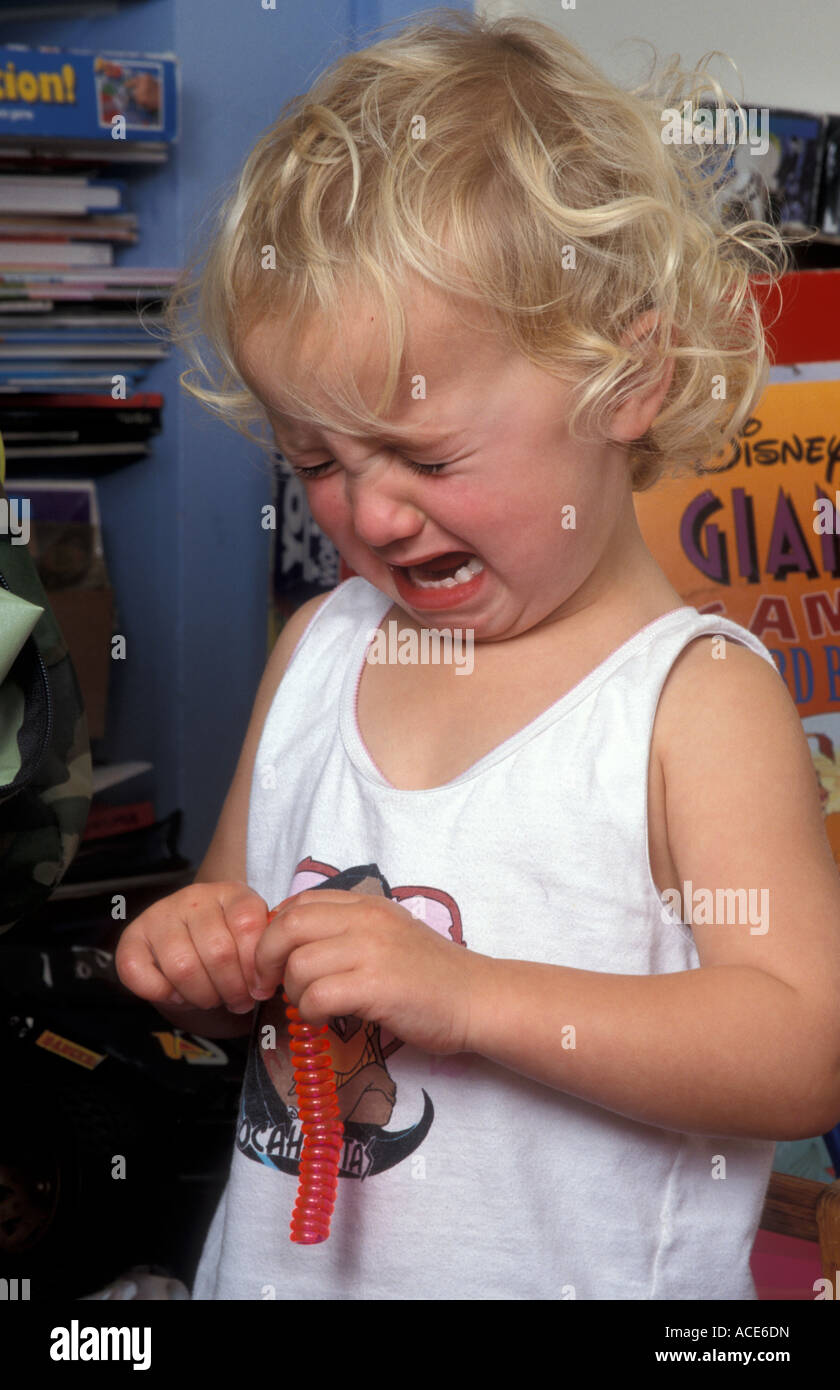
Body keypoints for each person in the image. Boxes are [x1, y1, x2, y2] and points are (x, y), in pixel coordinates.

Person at [116, 11, 840, 1299]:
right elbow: (239, 947)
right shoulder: (321, 650)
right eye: (319, 463)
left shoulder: (691, 703)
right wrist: (200, 958)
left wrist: (466, 996)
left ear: (628, 380)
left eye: (429, 458)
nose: (372, 513)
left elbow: (800, 1045)